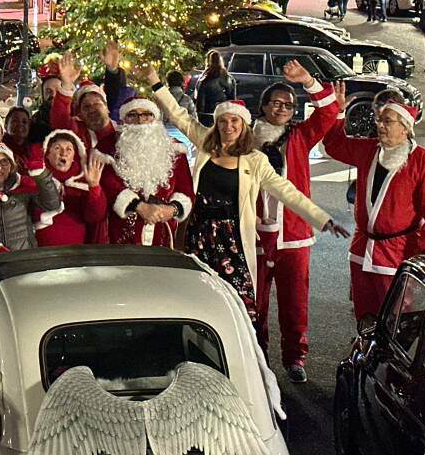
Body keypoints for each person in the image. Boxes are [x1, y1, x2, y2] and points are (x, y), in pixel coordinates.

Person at [145, 68, 347, 325]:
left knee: (240, 305)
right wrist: (154, 82)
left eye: (235, 122)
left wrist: (322, 219)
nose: (228, 127)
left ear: (243, 125)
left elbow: (288, 192)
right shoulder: (206, 142)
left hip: (234, 239)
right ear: (216, 124)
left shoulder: (255, 159)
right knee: (200, 298)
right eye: (223, 121)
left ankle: (252, 358)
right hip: (199, 234)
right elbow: (178, 115)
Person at [251, 61, 338, 383]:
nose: (283, 108)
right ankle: (257, 357)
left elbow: (328, 114)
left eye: (289, 104)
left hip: (294, 234)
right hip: (256, 232)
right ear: (263, 106)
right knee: (254, 301)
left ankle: (295, 357)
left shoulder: (300, 137)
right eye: (276, 102)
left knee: (294, 302)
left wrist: (308, 82)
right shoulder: (245, 137)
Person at [324, 85, 425, 319]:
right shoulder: (369, 150)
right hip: (361, 250)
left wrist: (423, 255)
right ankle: (366, 353)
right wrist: (337, 113)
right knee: (364, 317)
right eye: (379, 120)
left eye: (387, 121)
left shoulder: (423, 162)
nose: (380, 125)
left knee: (394, 321)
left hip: (397, 255)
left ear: (405, 128)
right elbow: (334, 145)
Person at [101, 97, 194, 248]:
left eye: (146, 115)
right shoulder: (108, 147)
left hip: (163, 230)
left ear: (155, 118)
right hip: (121, 232)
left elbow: (186, 189)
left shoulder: (175, 149)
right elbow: (106, 182)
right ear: (124, 119)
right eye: (133, 115)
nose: (140, 120)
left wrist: (172, 209)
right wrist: (138, 206)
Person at [0, 143, 61, 261]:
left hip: (27, 258)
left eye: (4, 162)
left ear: (11, 166)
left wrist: (40, 175)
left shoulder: (24, 187)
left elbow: (52, 204)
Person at [36, 130, 106, 246]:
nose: (64, 153)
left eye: (69, 149)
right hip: (41, 253)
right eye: (57, 148)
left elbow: (95, 216)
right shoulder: (36, 180)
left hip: (76, 255)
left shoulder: (83, 183)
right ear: (47, 154)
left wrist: (94, 187)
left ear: (74, 155)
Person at [51, 52, 119, 155]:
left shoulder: (122, 131)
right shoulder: (78, 132)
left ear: (107, 108)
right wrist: (66, 84)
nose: (92, 109)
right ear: (80, 114)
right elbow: (60, 120)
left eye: (97, 103)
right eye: (86, 106)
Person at [195, 50, 237, 126]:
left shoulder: (205, 80)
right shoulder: (229, 78)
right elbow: (232, 100)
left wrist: (200, 117)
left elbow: (200, 102)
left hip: (208, 115)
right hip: (224, 114)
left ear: (208, 62)